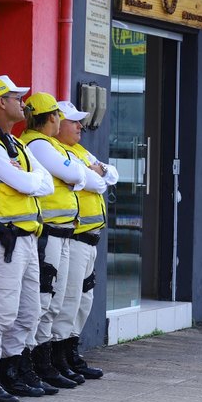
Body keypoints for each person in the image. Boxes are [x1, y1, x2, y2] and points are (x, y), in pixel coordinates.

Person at [0, 76, 55, 402]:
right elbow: (24, 181)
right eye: (16, 98)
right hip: (6, 241)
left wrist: (30, 181)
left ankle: (12, 371)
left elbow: (41, 184)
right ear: (1, 103)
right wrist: (30, 181)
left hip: (27, 239)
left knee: (30, 311)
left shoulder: (17, 145)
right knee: (2, 312)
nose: (23, 103)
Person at [20, 92, 88, 390]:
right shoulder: (37, 144)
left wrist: (77, 175)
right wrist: (77, 175)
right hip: (48, 234)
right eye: (59, 116)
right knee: (44, 301)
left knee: (56, 299)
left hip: (62, 234)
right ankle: (35, 363)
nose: (63, 122)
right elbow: (72, 175)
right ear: (51, 118)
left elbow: (80, 176)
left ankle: (44, 362)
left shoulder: (46, 144)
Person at [53, 100, 118, 379]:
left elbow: (111, 175)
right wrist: (96, 175)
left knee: (84, 298)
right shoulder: (57, 151)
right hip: (75, 236)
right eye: (74, 122)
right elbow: (95, 182)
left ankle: (71, 352)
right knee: (69, 299)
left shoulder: (79, 150)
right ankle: (58, 357)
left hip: (91, 238)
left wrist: (98, 173)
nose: (80, 126)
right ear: (57, 125)